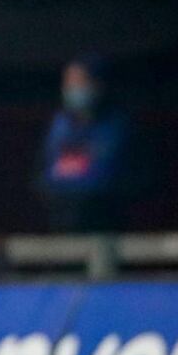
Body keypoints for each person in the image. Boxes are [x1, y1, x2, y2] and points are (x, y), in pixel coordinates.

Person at [38, 54, 131, 232]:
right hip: (60, 217)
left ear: (98, 85)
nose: (73, 88)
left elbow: (124, 177)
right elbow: (43, 173)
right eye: (69, 82)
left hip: (102, 218)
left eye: (80, 81)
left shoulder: (117, 126)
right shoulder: (58, 126)